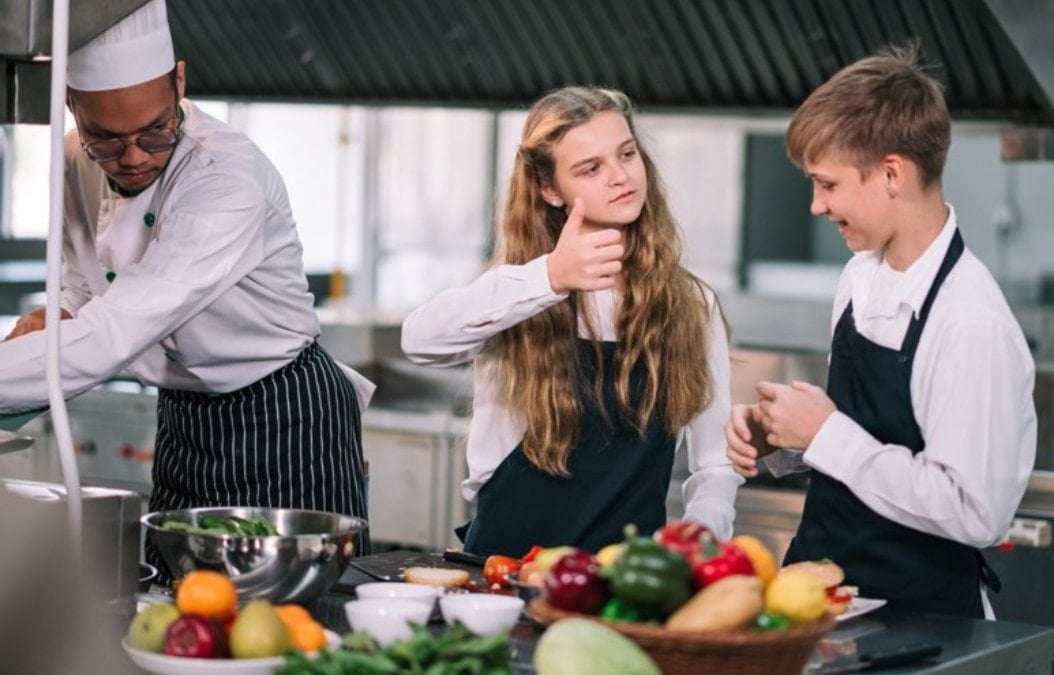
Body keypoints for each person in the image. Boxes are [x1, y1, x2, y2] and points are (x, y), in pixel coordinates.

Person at [0, 1, 371, 569]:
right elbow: (84, 285)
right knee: (176, 589)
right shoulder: (74, 157)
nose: (132, 158)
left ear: (179, 81)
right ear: (72, 104)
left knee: (296, 600)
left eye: (155, 131)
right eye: (106, 140)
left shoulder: (224, 177)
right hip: (184, 413)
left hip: (284, 413)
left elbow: (119, 328)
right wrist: (58, 317)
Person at [726, 46, 1036, 619]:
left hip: (922, 621)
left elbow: (976, 511)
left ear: (892, 173)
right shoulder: (860, 276)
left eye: (828, 184)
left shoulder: (970, 321)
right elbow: (867, 438)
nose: (816, 206)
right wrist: (786, 438)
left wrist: (824, 434)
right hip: (823, 598)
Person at [402, 87, 741, 557]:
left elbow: (715, 464)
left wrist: (698, 541)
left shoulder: (690, 303)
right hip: (507, 565)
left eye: (627, 154)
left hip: (624, 576)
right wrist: (550, 278)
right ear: (550, 190)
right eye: (590, 168)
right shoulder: (517, 289)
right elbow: (420, 341)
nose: (620, 177)